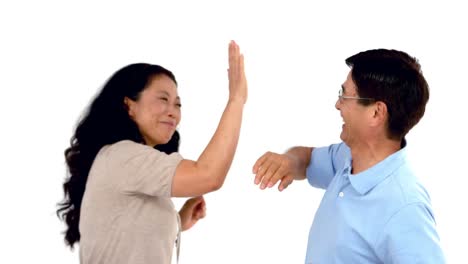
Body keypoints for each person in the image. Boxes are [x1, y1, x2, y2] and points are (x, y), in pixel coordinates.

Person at [57, 40, 247, 264]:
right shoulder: (123, 156)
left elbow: (128, 233)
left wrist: (177, 222)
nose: (172, 112)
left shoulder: (120, 159)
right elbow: (208, 175)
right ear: (129, 106)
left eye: (177, 104)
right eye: (163, 100)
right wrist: (237, 99)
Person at [252, 49, 445, 263]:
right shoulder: (348, 157)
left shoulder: (405, 207)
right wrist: (288, 161)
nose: (337, 104)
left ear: (376, 113)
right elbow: (306, 159)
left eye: (345, 95)